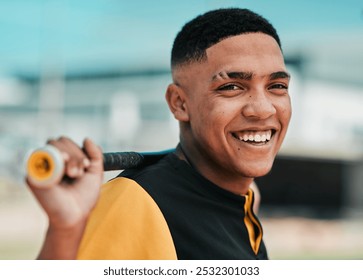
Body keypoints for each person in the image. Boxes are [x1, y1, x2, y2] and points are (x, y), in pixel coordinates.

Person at [27, 8, 291, 260]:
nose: (262, 108)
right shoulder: (133, 204)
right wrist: (64, 232)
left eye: (277, 85)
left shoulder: (243, 197)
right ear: (179, 103)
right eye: (232, 87)